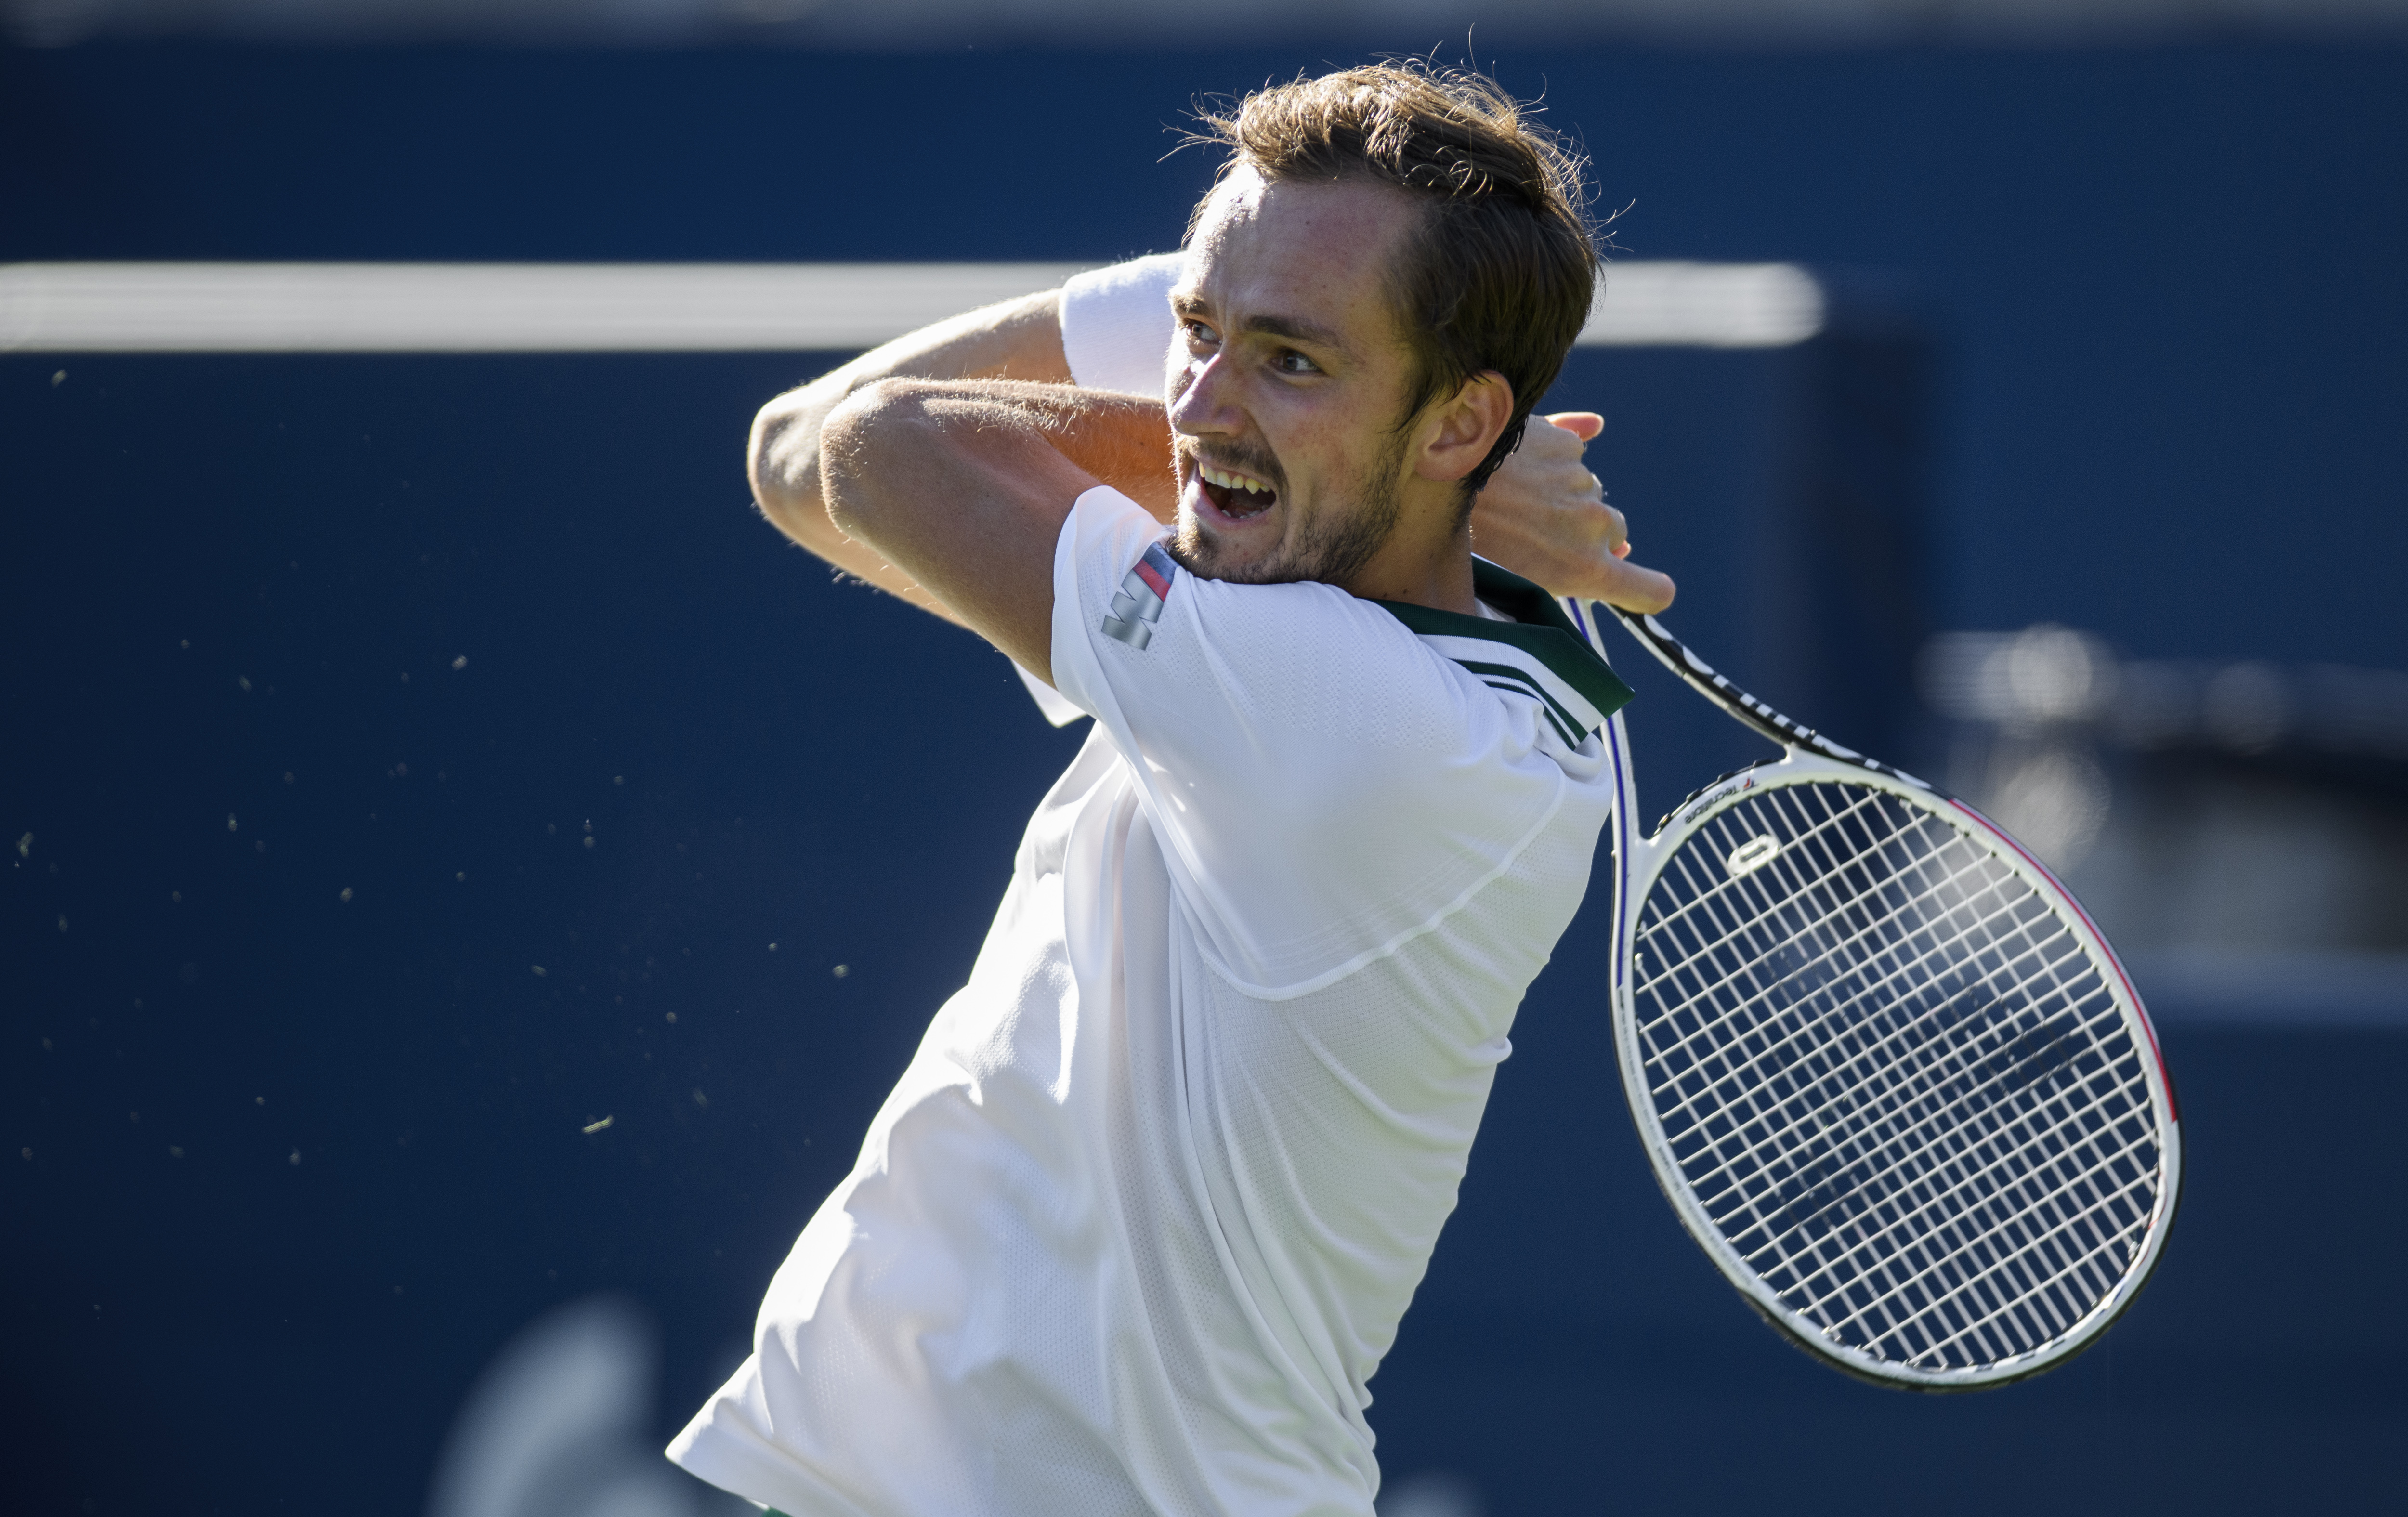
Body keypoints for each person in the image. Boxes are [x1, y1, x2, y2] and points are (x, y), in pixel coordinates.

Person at [668, 61, 1675, 1517]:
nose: (1199, 402)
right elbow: (791, 457)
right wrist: (1351, 405)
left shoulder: (1348, 717)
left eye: (1292, 360)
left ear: (1463, 422)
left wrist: (1367, 435)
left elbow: (870, 447)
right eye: (1195, 335)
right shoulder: (1388, 617)